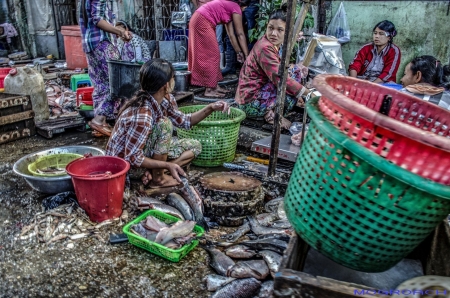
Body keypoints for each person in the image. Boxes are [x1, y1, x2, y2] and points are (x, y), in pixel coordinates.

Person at [106, 59, 230, 188]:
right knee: (164, 125)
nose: (174, 81)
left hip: (141, 154)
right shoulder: (142, 115)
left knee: (194, 146)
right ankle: (158, 179)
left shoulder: (163, 99)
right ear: (165, 85)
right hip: (125, 168)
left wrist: (211, 107)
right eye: (172, 78)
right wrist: (167, 164)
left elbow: (185, 121)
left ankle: (154, 172)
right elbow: (133, 158)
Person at [235, 9, 310, 129]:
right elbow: (281, 78)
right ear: (266, 27)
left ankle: (271, 111)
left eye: (280, 30)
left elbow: (279, 67)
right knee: (294, 74)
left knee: (294, 70)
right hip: (250, 104)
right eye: (271, 28)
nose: (274, 33)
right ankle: (275, 116)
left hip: (246, 98)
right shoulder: (265, 47)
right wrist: (308, 93)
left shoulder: (270, 44)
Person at [80, 0, 131, 137]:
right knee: (116, 81)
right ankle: (99, 120)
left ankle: (99, 126)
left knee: (100, 84)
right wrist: (119, 31)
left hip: (91, 44)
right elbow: (98, 19)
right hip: (102, 43)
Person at [188, 0, 250, 97]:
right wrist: (247, 55)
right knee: (212, 54)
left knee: (213, 53)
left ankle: (214, 86)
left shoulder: (229, 6)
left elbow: (231, 35)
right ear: (244, 7)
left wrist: (239, 52)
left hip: (199, 18)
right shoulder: (236, 8)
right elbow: (240, 34)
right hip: (202, 20)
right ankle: (209, 90)